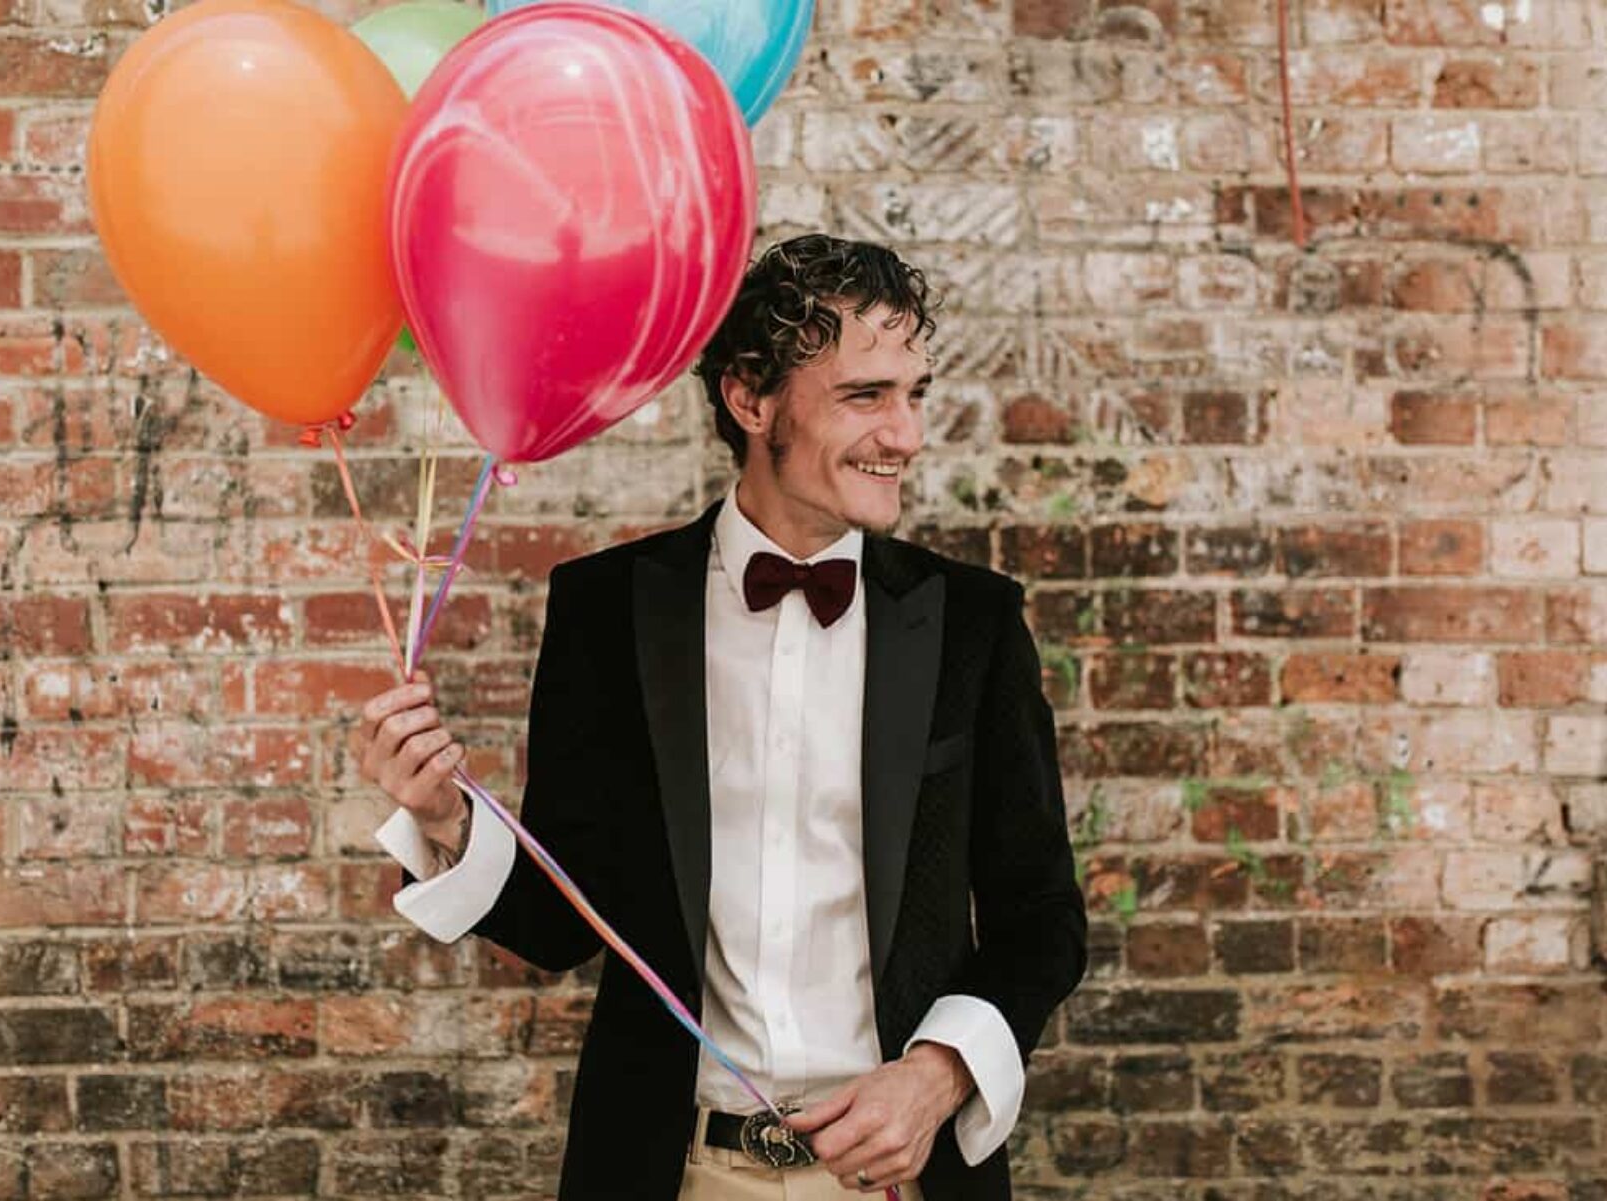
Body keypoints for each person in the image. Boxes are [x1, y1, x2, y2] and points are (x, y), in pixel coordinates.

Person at [358, 234, 1088, 1200]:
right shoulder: (608, 610)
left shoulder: (975, 623)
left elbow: (1041, 918)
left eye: (916, 393)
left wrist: (938, 1074)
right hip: (673, 1171)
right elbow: (560, 921)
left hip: (900, 1178)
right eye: (867, 395)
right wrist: (446, 820)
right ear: (751, 399)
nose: (906, 434)